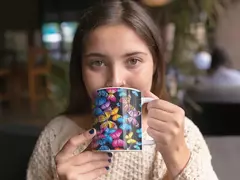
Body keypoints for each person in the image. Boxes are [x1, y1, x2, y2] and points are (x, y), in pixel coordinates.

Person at [27, 0, 218, 179]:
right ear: (81, 70)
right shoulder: (56, 135)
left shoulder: (183, 134)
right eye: (98, 62)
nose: (116, 80)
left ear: (155, 66)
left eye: (133, 61)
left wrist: (179, 160)